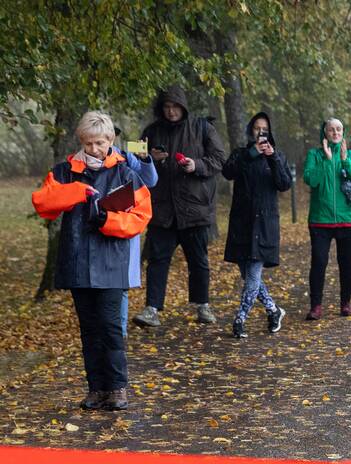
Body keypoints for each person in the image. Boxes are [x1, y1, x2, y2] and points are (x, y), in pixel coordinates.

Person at [31, 110, 152, 410]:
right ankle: (96, 389)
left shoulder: (126, 172)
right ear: (81, 142)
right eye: (88, 143)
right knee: (89, 329)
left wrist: (106, 219)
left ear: (111, 139)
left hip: (112, 262)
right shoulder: (64, 171)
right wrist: (75, 191)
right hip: (77, 261)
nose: (94, 149)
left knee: (111, 327)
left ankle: (117, 388)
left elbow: (141, 216)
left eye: (99, 142)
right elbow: (43, 203)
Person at [133, 86, 226, 328]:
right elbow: (133, 156)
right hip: (162, 209)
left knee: (198, 260)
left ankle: (203, 305)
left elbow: (219, 159)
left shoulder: (202, 127)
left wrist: (196, 165)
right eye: (166, 107)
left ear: (183, 107)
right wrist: (149, 159)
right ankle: (151, 309)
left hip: (194, 208)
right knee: (157, 260)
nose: (171, 111)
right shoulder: (152, 131)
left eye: (175, 106)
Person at [222, 112, 291, 338]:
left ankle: (240, 319)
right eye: (257, 128)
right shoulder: (242, 154)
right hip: (242, 224)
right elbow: (228, 171)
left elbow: (284, 184)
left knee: (252, 276)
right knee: (250, 275)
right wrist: (252, 153)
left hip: (265, 225)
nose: (261, 133)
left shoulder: (277, 156)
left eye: (265, 130)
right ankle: (273, 310)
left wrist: (272, 158)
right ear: (250, 131)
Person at [303, 118, 351, 319]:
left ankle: (345, 303)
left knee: (346, 263)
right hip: (321, 219)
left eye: (339, 129)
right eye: (331, 130)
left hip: (347, 218)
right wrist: (327, 161)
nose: (335, 133)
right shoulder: (315, 154)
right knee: (319, 262)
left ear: (343, 132)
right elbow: (311, 180)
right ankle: (316, 306)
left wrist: (345, 159)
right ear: (325, 133)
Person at [113, 139, 157, 336]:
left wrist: (145, 159)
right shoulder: (83, 161)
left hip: (124, 228)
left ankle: (119, 336)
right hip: (97, 231)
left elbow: (151, 180)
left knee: (121, 286)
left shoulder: (125, 157)